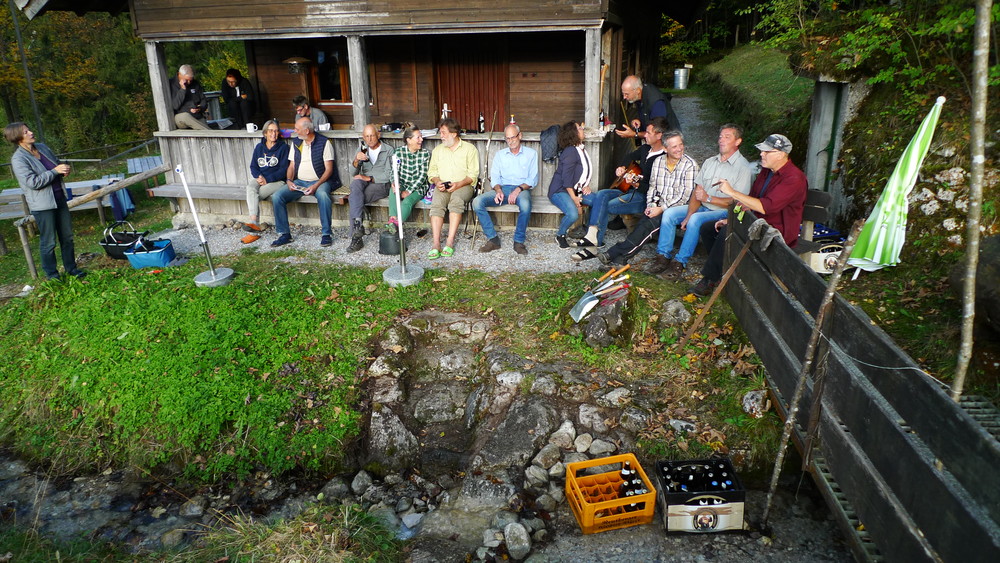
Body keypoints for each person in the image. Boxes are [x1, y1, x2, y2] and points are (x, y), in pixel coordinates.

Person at [689, 134, 807, 297]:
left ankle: (710, 278)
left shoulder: (794, 178)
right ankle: (723, 271)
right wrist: (732, 219)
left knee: (726, 233)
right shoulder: (767, 171)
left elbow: (766, 206)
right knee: (708, 228)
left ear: (781, 154)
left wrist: (732, 192)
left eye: (767, 152)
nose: (761, 154)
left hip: (775, 231)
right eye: (762, 151)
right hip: (756, 222)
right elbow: (752, 199)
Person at [648, 123, 753, 277]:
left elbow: (737, 202)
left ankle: (679, 263)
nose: (721, 140)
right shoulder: (710, 162)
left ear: (738, 141)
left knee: (696, 219)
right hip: (703, 207)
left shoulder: (743, 168)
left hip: (724, 212)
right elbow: (697, 193)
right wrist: (689, 214)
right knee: (670, 214)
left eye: (727, 137)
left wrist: (708, 199)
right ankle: (663, 257)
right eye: (720, 136)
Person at [576, 130, 697, 264]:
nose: (679, 149)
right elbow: (653, 187)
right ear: (666, 148)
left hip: (676, 207)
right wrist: (651, 205)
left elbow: (685, 195)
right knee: (643, 226)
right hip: (657, 205)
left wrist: (661, 208)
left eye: (681, 145)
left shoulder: (689, 165)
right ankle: (619, 258)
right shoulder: (658, 161)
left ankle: (615, 253)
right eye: (674, 146)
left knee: (646, 227)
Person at [574, 116, 670, 248]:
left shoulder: (664, 158)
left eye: (648, 133)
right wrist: (622, 167)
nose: (644, 135)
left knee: (607, 205)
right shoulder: (646, 148)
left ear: (659, 135)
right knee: (602, 194)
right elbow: (629, 156)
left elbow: (656, 189)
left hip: (644, 197)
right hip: (630, 189)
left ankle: (594, 239)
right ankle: (593, 237)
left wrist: (637, 184)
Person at [6, 122, 85, 280]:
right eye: (26, 132)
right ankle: (52, 275)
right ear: (17, 137)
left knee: (67, 237)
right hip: (43, 206)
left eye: (29, 129)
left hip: (59, 198)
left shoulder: (42, 147)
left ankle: (71, 269)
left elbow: (56, 164)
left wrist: (63, 169)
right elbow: (33, 182)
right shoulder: (18, 159)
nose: (31, 132)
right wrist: (54, 171)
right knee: (49, 242)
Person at [269, 117, 340, 247]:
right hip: (300, 182)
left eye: (297, 129)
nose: (295, 131)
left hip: (321, 181)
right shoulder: (296, 142)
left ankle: (326, 234)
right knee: (277, 196)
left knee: (323, 195)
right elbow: (291, 166)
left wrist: (316, 185)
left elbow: (329, 170)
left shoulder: (324, 142)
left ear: (307, 131)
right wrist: (289, 181)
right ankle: (284, 234)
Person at [473, 124, 538, 255]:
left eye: (513, 137)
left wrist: (518, 189)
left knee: (525, 205)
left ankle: (518, 241)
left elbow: (533, 179)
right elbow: (495, 177)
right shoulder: (500, 155)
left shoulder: (531, 154)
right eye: (507, 138)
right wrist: (498, 190)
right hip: (503, 189)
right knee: (477, 202)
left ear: (520, 136)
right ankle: (493, 240)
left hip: (522, 190)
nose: (510, 141)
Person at [426, 118, 478, 259]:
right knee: (436, 204)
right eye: (440, 132)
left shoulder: (469, 149)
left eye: (444, 133)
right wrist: (437, 181)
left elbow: (473, 175)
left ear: (454, 134)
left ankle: (449, 242)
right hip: (443, 186)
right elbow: (432, 172)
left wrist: (459, 184)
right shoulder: (438, 150)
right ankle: (436, 244)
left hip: (464, 186)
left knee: (456, 200)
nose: (441, 136)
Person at [346, 124, 395, 253]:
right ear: (363, 137)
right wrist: (356, 160)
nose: (369, 139)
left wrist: (369, 178)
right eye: (366, 136)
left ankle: (356, 238)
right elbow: (353, 173)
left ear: (378, 135)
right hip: (364, 182)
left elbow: (389, 174)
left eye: (372, 135)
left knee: (354, 198)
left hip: (381, 184)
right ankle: (358, 227)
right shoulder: (362, 149)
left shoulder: (388, 150)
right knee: (355, 185)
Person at [547, 121, 591, 248]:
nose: (582, 129)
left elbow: (583, 172)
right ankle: (560, 234)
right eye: (579, 128)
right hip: (560, 191)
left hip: (575, 190)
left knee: (597, 199)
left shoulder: (580, 149)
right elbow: (566, 180)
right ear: (573, 134)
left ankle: (591, 234)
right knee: (573, 214)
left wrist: (586, 185)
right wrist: (574, 199)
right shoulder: (571, 151)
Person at [243, 119, 289, 231]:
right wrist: (259, 176)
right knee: (250, 188)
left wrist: (267, 179)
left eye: (276, 131)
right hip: (260, 178)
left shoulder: (284, 148)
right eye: (271, 131)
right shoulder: (259, 147)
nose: (274, 133)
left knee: (255, 195)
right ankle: (254, 222)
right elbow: (253, 166)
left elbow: (284, 170)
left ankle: (254, 228)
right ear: (265, 133)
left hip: (278, 181)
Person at [614, 75, 681, 142]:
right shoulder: (639, 94)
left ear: (637, 90)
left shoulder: (656, 103)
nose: (624, 97)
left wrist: (634, 134)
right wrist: (639, 119)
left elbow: (655, 133)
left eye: (627, 94)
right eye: (623, 94)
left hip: (669, 140)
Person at [387, 126, 431, 226]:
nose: (421, 139)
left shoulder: (425, 154)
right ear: (409, 140)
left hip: (418, 187)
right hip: (403, 183)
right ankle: (392, 220)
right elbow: (394, 170)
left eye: (421, 137)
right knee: (393, 191)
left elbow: (422, 176)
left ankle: (396, 226)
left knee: (407, 201)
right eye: (418, 137)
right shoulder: (399, 152)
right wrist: (394, 182)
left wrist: (409, 191)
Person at [169, 65, 210, 130]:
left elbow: (203, 101)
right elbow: (175, 106)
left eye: (191, 80)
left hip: (196, 115)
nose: (188, 82)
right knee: (185, 116)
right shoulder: (170, 84)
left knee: (202, 124)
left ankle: (209, 132)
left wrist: (199, 109)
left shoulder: (195, 83)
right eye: (186, 80)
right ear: (179, 74)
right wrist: (183, 89)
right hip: (180, 117)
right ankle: (211, 132)